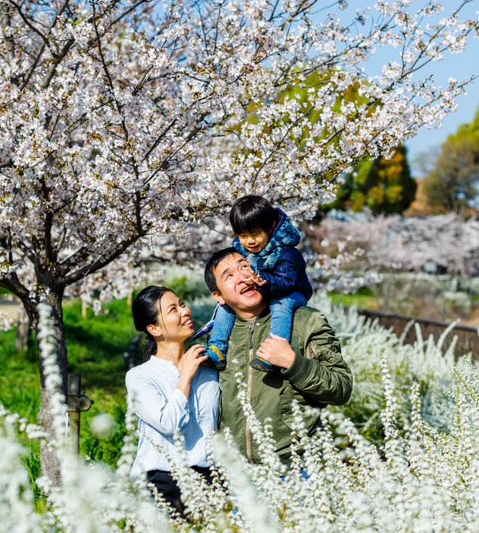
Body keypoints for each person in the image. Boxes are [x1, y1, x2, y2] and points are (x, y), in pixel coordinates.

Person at [204, 248, 352, 465]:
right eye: (229, 275)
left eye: (245, 266)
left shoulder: (305, 321)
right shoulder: (220, 341)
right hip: (237, 472)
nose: (243, 276)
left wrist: (293, 363)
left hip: (297, 466)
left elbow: (341, 388)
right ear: (218, 296)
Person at [126, 285, 220, 515]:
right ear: (154, 329)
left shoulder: (210, 370)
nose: (185, 311)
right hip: (160, 484)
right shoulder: (140, 377)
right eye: (173, 309)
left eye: (182, 304)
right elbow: (170, 425)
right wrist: (186, 376)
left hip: (210, 480)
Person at [205, 195, 313, 375]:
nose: (250, 242)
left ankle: (275, 349)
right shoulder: (242, 251)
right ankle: (217, 348)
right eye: (243, 236)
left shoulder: (285, 252)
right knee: (226, 304)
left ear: (271, 226)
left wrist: (263, 279)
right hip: (266, 288)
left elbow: (288, 282)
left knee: (281, 303)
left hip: (292, 292)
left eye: (255, 234)